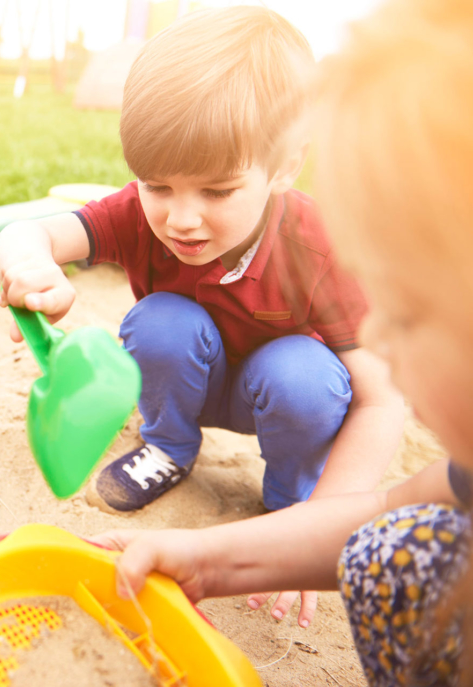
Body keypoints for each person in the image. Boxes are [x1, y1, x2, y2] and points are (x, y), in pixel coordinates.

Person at [92, 0, 473, 684]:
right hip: (220, 394)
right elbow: (406, 501)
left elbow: (378, 410)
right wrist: (205, 557)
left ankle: (286, 487)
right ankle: (171, 449)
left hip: (286, 390)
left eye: (410, 310)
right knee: (386, 546)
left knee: (397, 559)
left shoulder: (310, 242)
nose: (379, 330)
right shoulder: (457, 486)